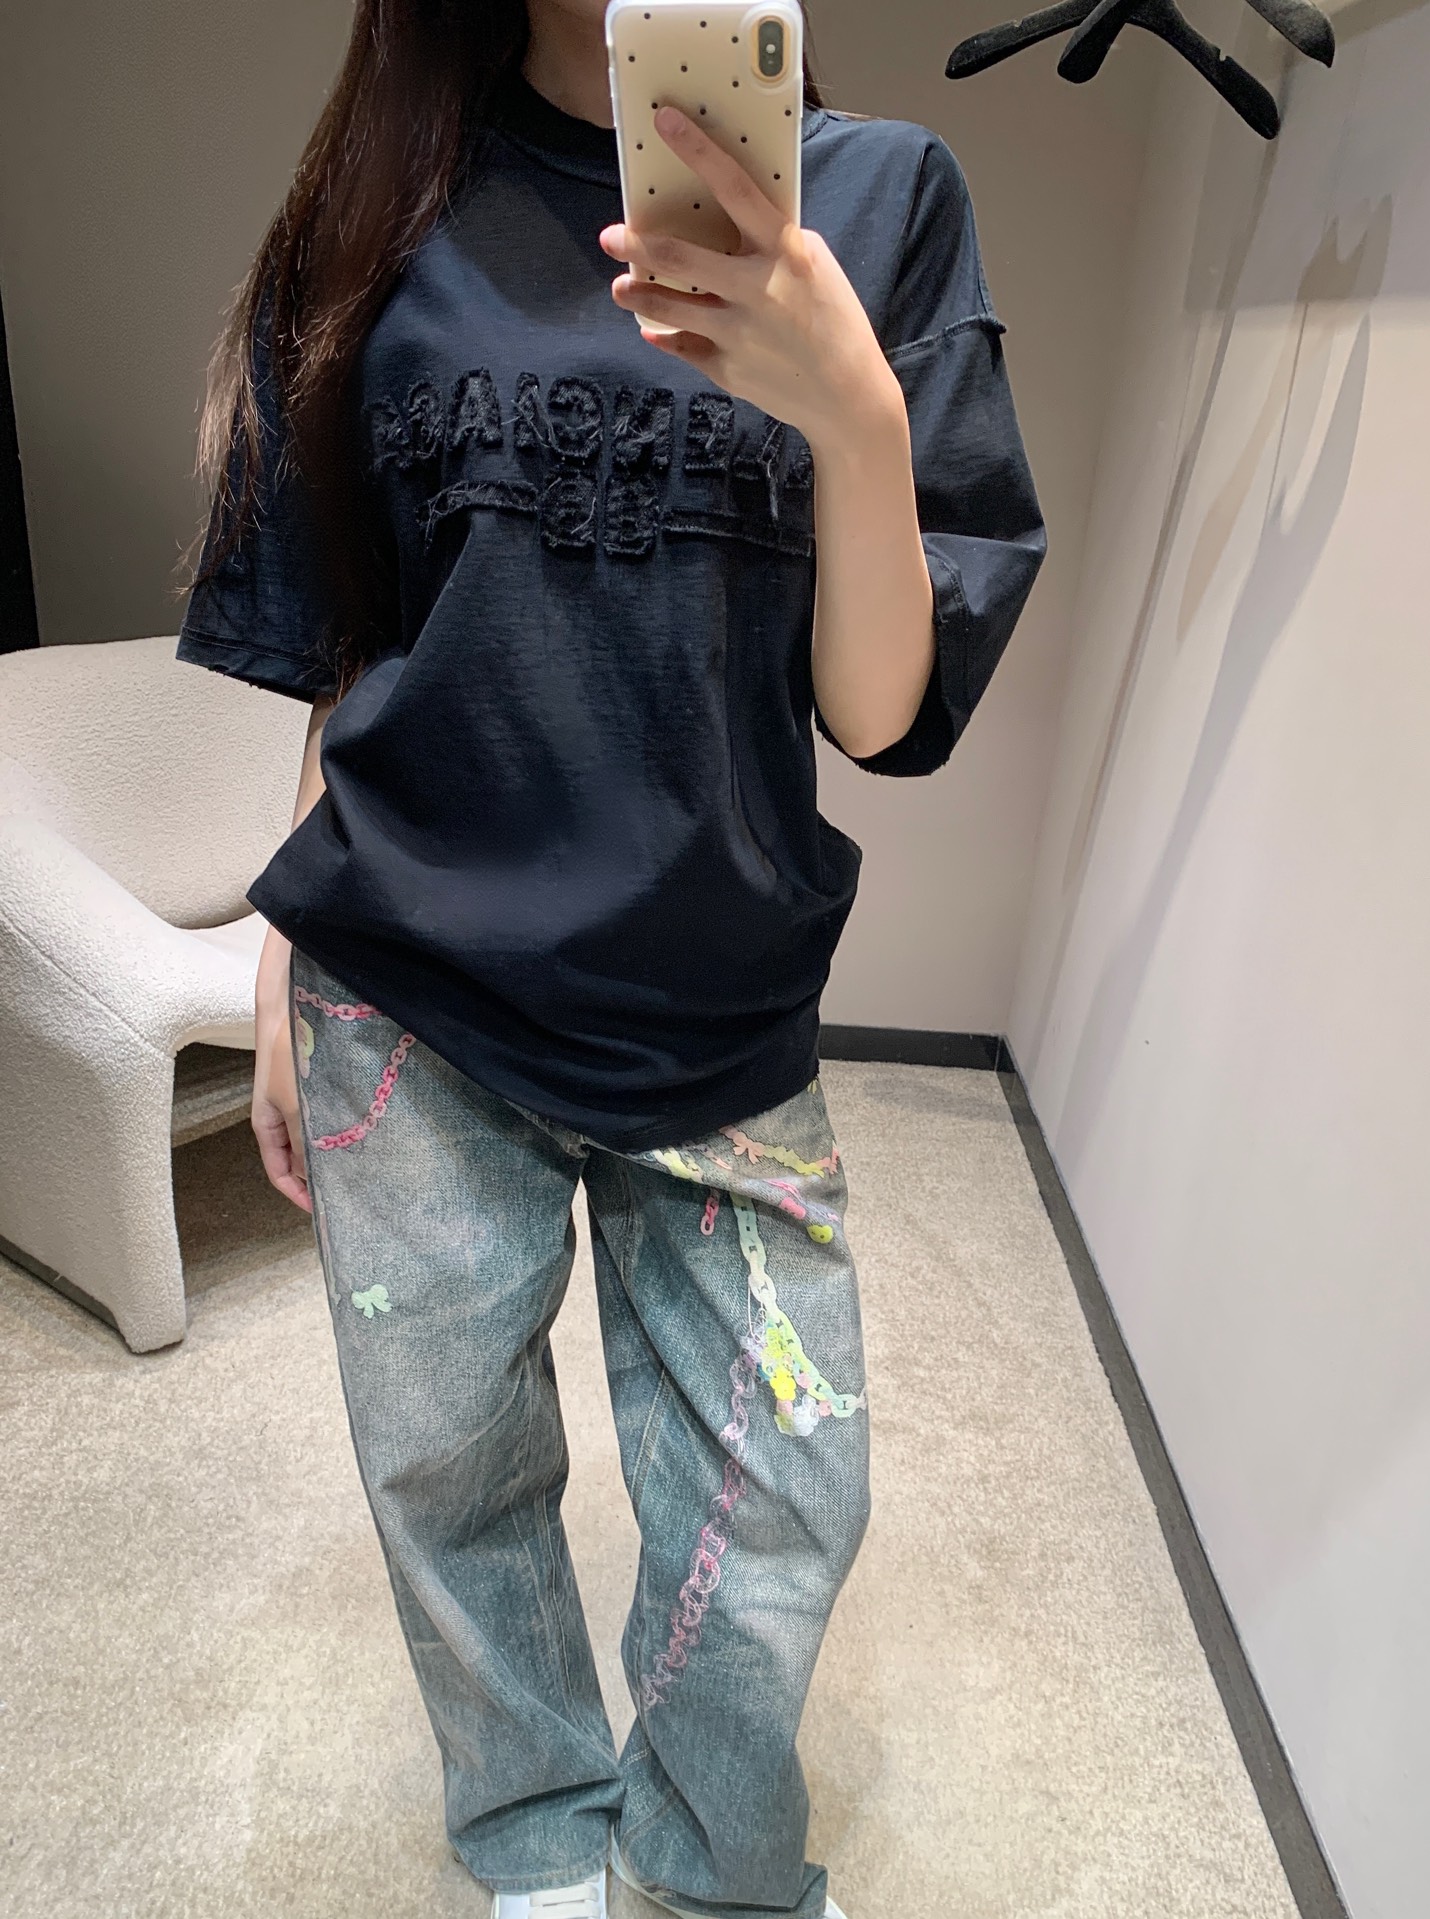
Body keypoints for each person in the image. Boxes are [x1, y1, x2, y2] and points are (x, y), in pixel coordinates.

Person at [176, 1, 1045, 1914]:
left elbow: (880, 714)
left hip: (713, 997)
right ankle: (536, 1839)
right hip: (404, 985)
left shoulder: (885, 200)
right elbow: (358, 632)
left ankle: (712, 1868)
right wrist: (274, 948)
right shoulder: (379, 204)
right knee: (446, 1471)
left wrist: (855, 412)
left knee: (786, 1494)